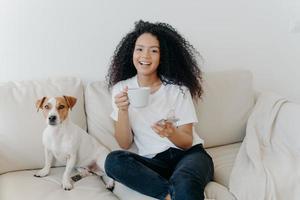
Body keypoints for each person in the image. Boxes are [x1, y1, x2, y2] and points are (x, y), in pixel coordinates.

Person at [105, 20, 214, 200]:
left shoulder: (178, 89)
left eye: (153, 50)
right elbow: (124, 144)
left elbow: (186, 142)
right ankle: (168, 194)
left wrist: (170, 133)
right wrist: (122, 110)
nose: (145, 55)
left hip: (190, 155)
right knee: (113, 161)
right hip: (155, 162)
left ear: (162, 56)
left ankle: (176, 189)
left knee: (184, 180)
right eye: (139, 49)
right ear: (131, 52)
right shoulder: (121, 89)